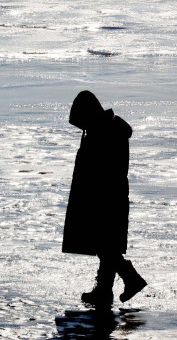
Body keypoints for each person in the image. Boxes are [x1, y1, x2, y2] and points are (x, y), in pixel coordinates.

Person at [62, 90, 147, 307]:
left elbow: (101, 170)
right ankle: (103, 290)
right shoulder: (103, 129)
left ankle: (131, 278)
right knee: (107, 244)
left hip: (105, 197)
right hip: (108, 195)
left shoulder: (105, 132)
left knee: (105, 245)